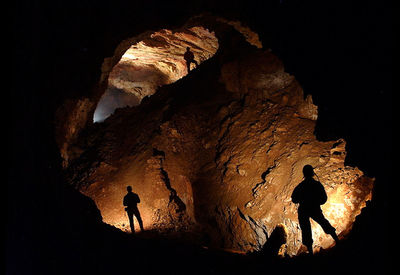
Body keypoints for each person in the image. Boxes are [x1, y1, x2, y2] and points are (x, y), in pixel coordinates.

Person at [291, 165, 339, 255]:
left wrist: (302, 199)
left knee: (306, 230)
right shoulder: (317, 184)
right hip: (314, 208)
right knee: (324, 223)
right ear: (313, 173)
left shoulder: (300, 186)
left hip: (303, 210)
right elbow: (324, 198)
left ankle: (311, 253)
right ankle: (337, 240)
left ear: (304, 174)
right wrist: (316, 201)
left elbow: (294, 199)